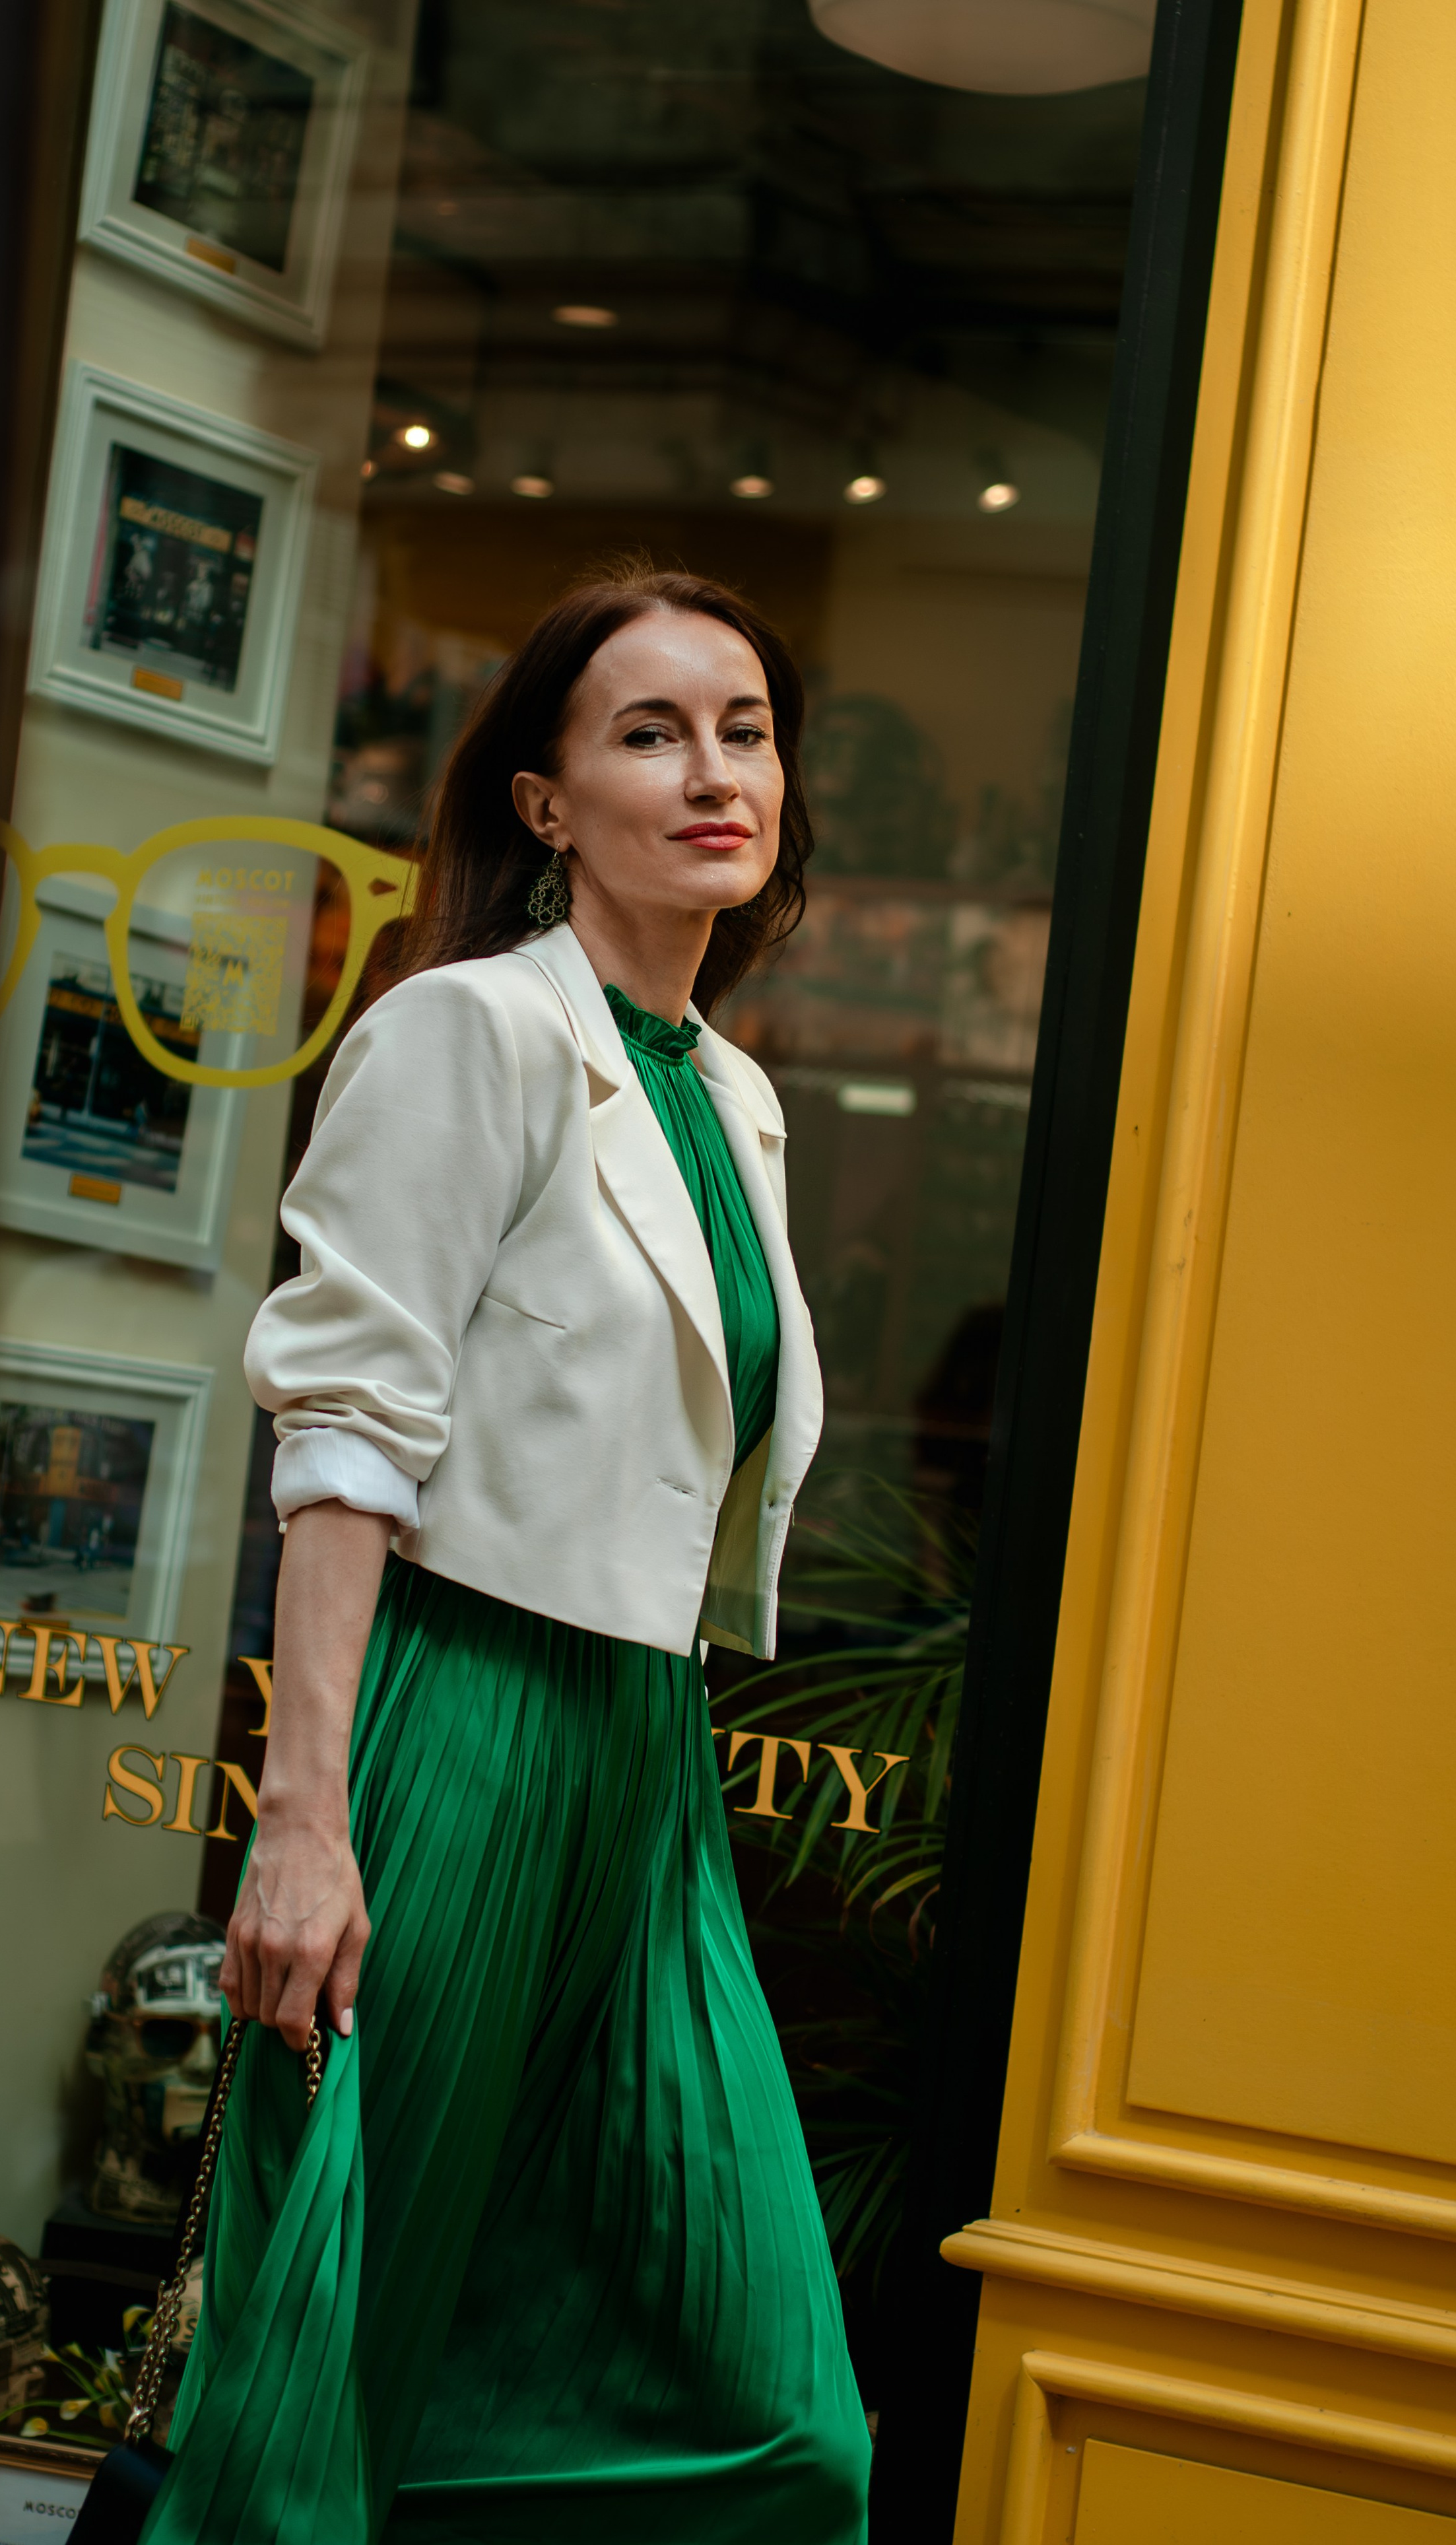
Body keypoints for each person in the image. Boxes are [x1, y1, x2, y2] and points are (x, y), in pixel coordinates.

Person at [147, 569, 872, 2543]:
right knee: (337, 2362)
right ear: (547, 802)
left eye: (743, 728)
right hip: (456, 1721)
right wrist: (303, 1821)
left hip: (645, 1756)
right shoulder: (468, 1032)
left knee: (781, 2421)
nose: (715, 772)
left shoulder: (732, 1091)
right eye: (650, 733)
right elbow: (347, 1439)